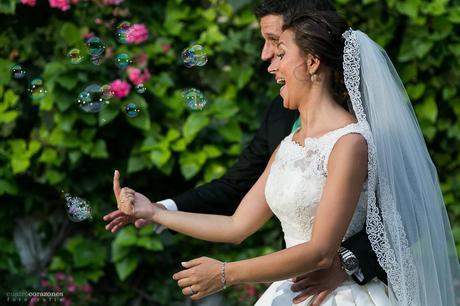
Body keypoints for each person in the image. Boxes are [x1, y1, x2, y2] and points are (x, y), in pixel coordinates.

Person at [114, 7, 460, 306]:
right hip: (291, 293)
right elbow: (236, 226)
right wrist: (153, 211)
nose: (270, 66)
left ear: (312, 62)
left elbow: (322, 251)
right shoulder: (287, 144)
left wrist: (225, 274)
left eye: (281, 54)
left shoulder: (349, 143)